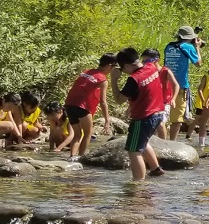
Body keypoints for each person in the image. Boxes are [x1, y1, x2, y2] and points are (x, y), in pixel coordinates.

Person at [115, 48, 170, 181]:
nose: (123, 72)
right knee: (143, 142)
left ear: (127, 65)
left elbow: (119, 100)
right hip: (158, 113)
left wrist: (114, 80)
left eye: (122, 69)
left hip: (143, 118)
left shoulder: (134, 79)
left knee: (134, 150)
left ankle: (138, 184)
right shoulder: (151, 67)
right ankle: (156, 169)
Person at [60, 56, 112, 158]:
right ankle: (81, 158)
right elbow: (103, 101)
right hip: (82, 106)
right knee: (88, 133)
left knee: (77, 134)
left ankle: (72, 157)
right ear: (110, 65)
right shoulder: (102, 79)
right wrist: (107, 120)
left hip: (69, 104)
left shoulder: (87, 71)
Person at [160, 26, 200, 140]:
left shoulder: (169, 46)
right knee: (177, 119)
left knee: (162, 116)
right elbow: (198, 63)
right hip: (181, 86)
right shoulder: (188, 47)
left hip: (166, 84)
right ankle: (172, 143)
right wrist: (197, 47)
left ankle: (160, 141)